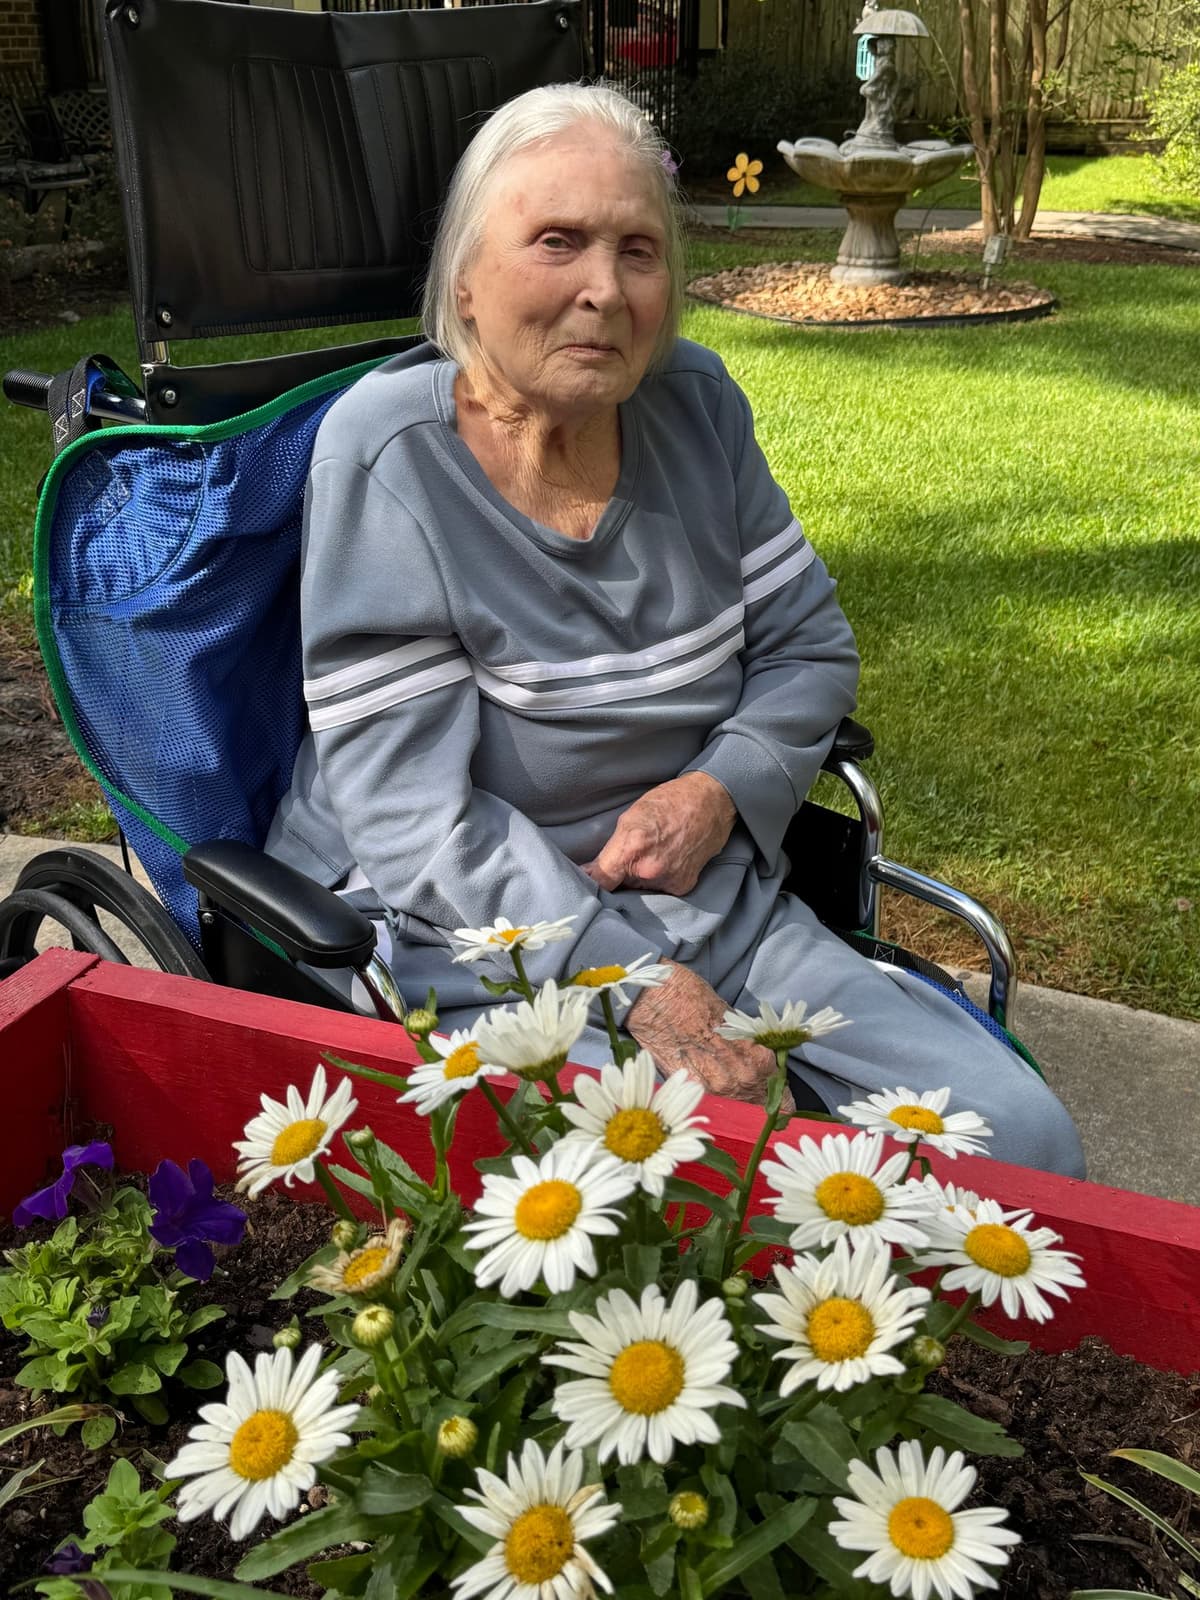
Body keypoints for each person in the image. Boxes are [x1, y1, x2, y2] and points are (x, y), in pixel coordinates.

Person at [265, 83, 1085, 1177]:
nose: (604, 290)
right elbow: (417, 819)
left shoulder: (695, 404)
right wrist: (634, 979)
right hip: (469, 933)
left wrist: (719, 792)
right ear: (464, 280)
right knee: (668, 1189)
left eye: (639, 249)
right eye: (558, 241)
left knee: (1023, 1143)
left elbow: (807, 648)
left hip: (710, 896)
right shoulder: (388, 456)